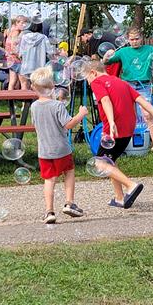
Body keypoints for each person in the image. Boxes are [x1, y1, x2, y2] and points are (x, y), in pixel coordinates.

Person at [85, 61, 153, 209]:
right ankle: (119, 198)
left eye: (87, 78)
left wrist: (111, 121)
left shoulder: (97, 82)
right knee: (110, 160)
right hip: (129, 129)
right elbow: (141, 100)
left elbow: (105, 100)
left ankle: (130, 185)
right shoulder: (122, 82)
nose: (88, 82)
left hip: (114, 129)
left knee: (100, 163)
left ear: (93, 72)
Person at [28, 66, 88, 224]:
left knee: (49, 180)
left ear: (33, 87)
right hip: (61, 149)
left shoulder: (34, 107)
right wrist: (81, 114)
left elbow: (36, 124)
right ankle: (69, 203)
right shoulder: (57, 105)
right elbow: (68, 125)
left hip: (44, 151)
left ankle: (49, 212)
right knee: (69, 172)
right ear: (52, 86)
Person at [104, 26, 153, 151]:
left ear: (141, 38)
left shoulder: (149, 49)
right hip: (127, 85)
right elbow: (106, 62)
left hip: (144, 85)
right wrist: (106, 55)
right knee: (127, 115)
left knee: (148, 114)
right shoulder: (123, 52)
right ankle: (125, 145)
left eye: (137, 39)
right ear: (128, 40)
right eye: (132, 39)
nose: (134, 41)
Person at [18, 22, 52, 89]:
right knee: (37, 86)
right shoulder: (44, 37)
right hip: (39, 66)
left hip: (26, 66)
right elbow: (49, 52)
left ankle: (25, 96)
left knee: (25, 84)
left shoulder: (24, 37)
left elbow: (20, 53)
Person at [4, 15, 27, 90]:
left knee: (12, 81)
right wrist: (21, 56)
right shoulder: (16, 32)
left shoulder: (10, 31)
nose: (24, 25)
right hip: (16, 59)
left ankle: (9, 97)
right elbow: (13, 48)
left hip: (10, 59)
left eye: (25, 23)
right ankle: (25, 97)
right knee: (24, 82)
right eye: (22, 23)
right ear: (17, 23)